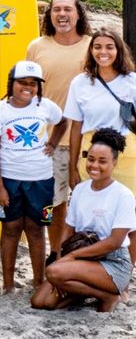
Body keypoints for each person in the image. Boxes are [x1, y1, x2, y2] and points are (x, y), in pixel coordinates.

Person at [32, 129, 135, 312]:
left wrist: (71, 258)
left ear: (114, 163)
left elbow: (115, 242)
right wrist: (60, 257)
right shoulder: (80, 190)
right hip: (82, 257)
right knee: (41, 301)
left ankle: (108, 295)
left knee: (54, 272)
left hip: (112, 263)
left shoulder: (123, 195)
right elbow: (68, 229)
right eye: (90, 159)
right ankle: (90, 291)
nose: (94, 165)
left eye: (102, 161)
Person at [0, 61, 61, 293]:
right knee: (10, 228)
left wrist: (53, 142)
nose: (27, 87)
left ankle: (38, 281)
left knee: (36, 228)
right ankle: (7, 284)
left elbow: (63, 122)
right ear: (11, 84)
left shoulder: (46, 106)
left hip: (40, 178)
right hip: (9, 179)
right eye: (22, 83)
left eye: (33, 83)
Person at [59, 28, 136, 255]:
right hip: (92, 154)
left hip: (127, 154)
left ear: (118, 50)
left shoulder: (132, 81)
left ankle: (123, 272)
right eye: (98, 46)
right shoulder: (80, 83)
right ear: (91, 50)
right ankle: (95, 265)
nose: (103, 52)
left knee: (129, 216)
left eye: (109, 47)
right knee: (94, 211)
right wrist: (73, 166)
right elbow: (76, 128)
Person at [26, 0, 90, 248]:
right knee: (56, 204)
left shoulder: (93, 45)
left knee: (90, 203)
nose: (62, 15)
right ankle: (56, 255)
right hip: (49, 141)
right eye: (56, 10)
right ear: (49, 15)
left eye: (68, 10)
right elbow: (27, 90)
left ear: (78, 14)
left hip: (88, 140)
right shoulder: (36, 46)